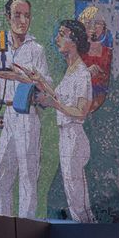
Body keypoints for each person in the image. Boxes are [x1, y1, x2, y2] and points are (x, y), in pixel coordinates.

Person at [0, 0, 49, 218]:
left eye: (27, 15)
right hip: (9, 115)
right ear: (8, 18)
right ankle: (5, 224)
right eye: (17, 15)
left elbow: (46, 87)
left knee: (27, 175)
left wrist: (23, 77)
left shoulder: (36, 50)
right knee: (1, 176)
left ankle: (26, 224)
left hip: (28, 114)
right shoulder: (0, 48)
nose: (23, 21)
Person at [24, 19, 95, 222]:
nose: (57, 38)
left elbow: (81, 112)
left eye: (62, 34)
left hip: (74, 136)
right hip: (66, 136)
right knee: (73, 194)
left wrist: (53, 104)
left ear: (74, 41)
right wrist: (40, 80)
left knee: (77, 197)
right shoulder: (70, 71)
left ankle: (90, 232)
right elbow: (58, 98)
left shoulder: (82, 74)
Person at [78, 5, 114, 112]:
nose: (93, 27)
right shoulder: (76, 51)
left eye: (98, 23)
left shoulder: (108, 52)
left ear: (104, 27)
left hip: (100, 100)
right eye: (88, 22)